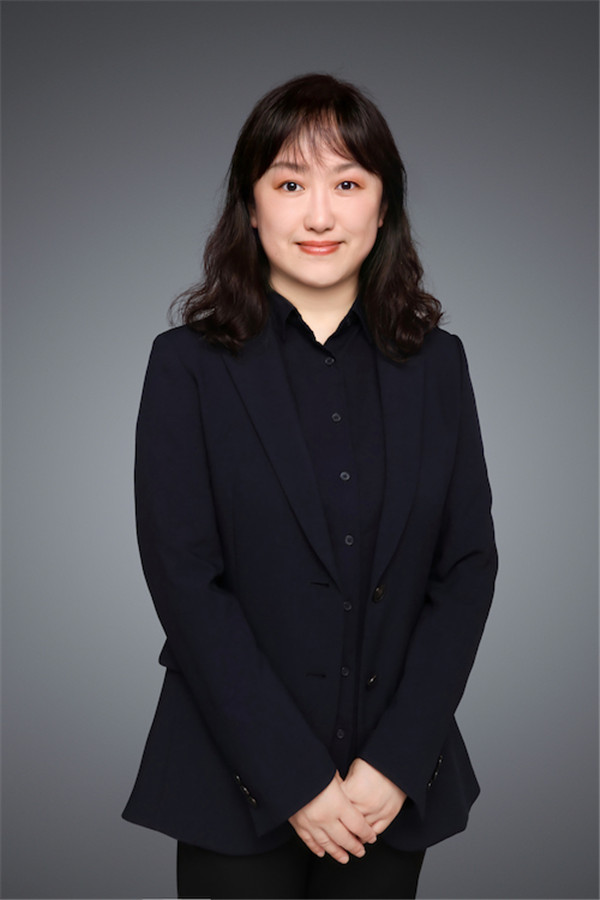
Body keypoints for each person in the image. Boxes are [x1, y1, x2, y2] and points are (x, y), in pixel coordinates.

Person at [122, 73, 498, 900]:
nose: (319, 215)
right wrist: (293, 778)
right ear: (251, 206)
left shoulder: (439, 366)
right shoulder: (186, 366)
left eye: (348, 184)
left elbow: (467, 568)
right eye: (290, 184)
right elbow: (185, 579)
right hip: (230, 780)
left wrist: (395, 762)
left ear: (383, 207)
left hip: (387, 792)